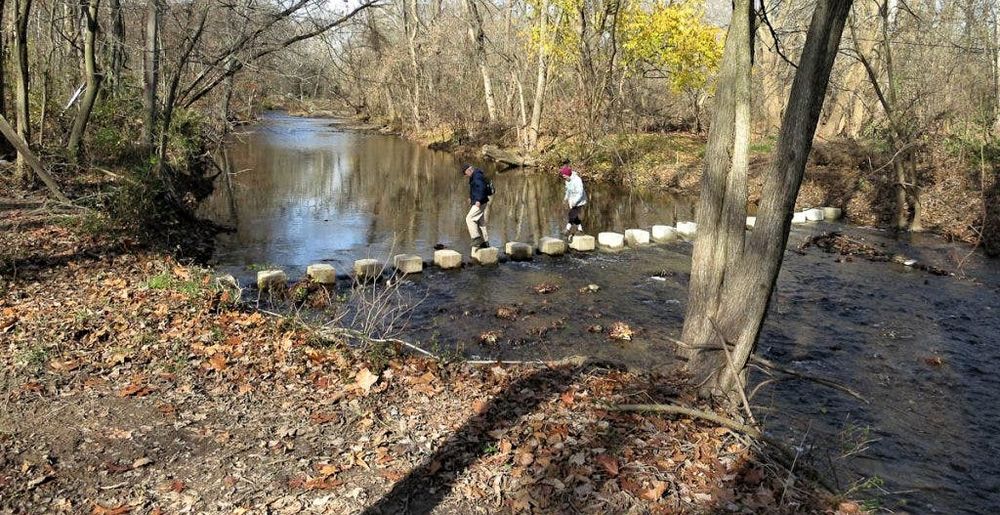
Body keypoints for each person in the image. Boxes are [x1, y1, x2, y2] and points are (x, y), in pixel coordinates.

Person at [462, 164, 491, 248]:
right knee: (481, 222)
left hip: (480, 202)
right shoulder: (475, 175)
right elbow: (475, 188)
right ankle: (485, 242)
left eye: (465, 173)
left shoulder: (477, 176)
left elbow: (481, 188)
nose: (466, 175)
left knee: (469, 218)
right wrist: (471, 198)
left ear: (468, 170)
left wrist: (478, 200)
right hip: (481, 201)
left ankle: (476, 238)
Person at [560, 165, 587, 238]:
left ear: (568, 174)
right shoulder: (567, 180)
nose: (564, 178)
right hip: (572, 201)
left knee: (571, 215)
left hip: (579, 201)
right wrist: (565, 198)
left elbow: (580, 193)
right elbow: (568, 190)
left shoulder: (577, 180)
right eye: (563, 176)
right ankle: (580, 230)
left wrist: (575, 202)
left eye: (564, 176)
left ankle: (567, 229)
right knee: (574, 216)